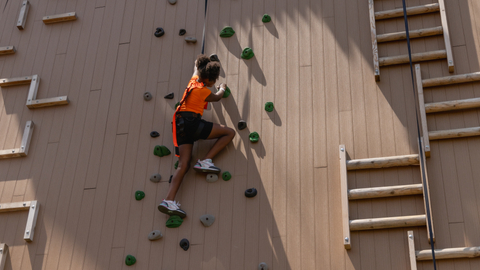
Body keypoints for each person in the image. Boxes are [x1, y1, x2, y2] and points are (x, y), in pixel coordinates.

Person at [158, 54, 235, 218]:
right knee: (229, 132)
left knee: (183, 164)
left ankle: (168, 200)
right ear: (208, 79)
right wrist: (221, 87)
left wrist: (204, 61)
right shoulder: (203, 91)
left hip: (179, 125)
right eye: (214, 80)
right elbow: (218, 97)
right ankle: (206, 161)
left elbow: (196, 66)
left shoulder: (193, 81)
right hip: (191, 123)